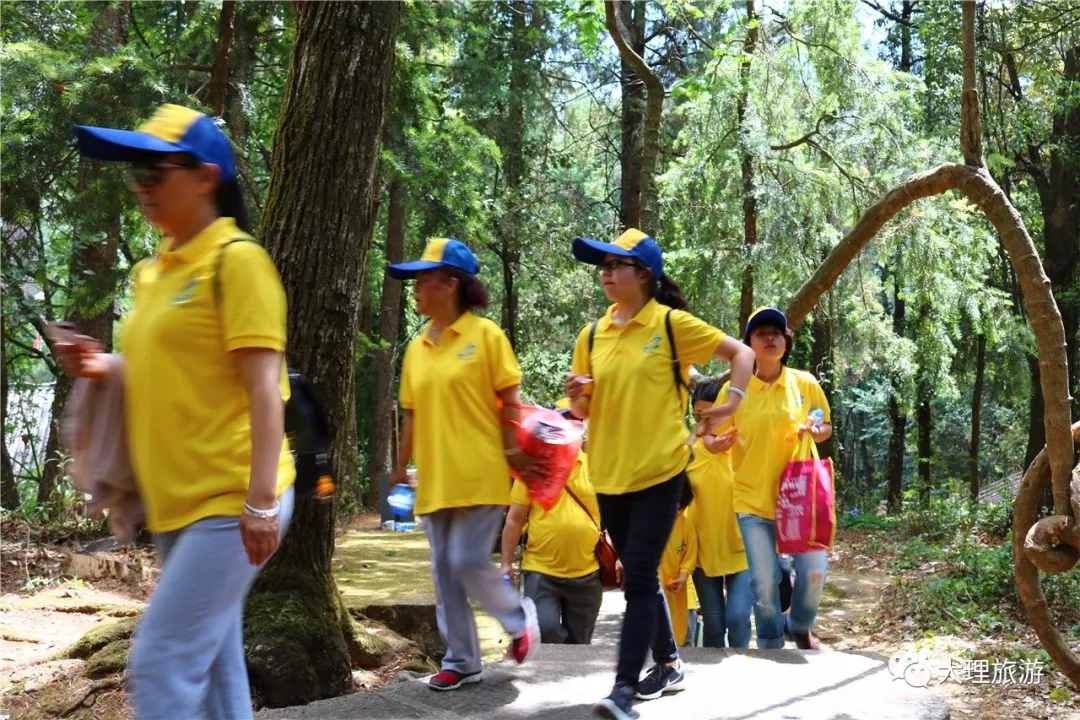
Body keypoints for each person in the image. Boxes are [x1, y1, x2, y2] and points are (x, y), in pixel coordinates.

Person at [61, 104, 296, 719]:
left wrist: (260, 501)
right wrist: (99, 366)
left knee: (161, 661)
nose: (142, 186)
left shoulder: (237, 262)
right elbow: (160, 373)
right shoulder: (153, 272)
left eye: (155, 172)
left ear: (205, 177)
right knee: (217, 676)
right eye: (134, 174)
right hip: (176, 506)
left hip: (230, 499)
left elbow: (264, 391)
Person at [564, 228, 755, 720]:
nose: (605, 272)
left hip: (660, 474)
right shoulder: (591, 336)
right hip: (609, 478)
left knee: (639, 577)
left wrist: (731, 402)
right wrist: (575, 395)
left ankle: (624, 690)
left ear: (645, 275)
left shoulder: (671, 326)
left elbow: (743, 355)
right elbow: (582, 412)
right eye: (601, 265)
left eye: (615, 264)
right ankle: (670, 663)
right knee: (642, 581)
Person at [387, 238, 541, 692]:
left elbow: (510, 398)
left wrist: (513, 450)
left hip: (479, 471)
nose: (415, 289)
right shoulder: (417, 348)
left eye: (423, 280)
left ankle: (516, 617)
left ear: (450, 283)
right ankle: (462, 660)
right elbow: (411, 413)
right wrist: (400, 468)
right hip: (434, 478)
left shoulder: (486, 337)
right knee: (443, 572)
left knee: (466, 560)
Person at [724, 307, 833, 650]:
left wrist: (813, 429)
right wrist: (715, 441)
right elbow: (713, 437)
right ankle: (771, 644)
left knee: (815, 570)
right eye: (761, 333)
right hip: (752, 499)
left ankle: (798, 624)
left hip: (800, 497)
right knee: (765, 582)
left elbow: (824, 426)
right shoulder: (734, 390)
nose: (770, 338)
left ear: (785, 341)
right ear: (749, 344)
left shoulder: (804, 384)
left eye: (776, 333)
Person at [500, 399, 604, 645]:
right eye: (562, 420)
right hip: (541, 571)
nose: (568, 426)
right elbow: (515, 519)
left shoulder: (595, 468)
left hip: (587, 573)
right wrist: (505, 563)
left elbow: (616, 516)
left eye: (574, 421)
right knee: (544, 630)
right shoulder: (533, 469)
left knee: (581, 644)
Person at [685, 381, 753, 649]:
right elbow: (668, 468)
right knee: (714, 623)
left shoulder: (744, 446)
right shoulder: (689, 451)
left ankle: (740, 673)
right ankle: (711, 678)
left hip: (743, 548)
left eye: (712, 415)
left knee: (737, 619)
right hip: (704, 550)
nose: (706, 423)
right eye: (699, 416)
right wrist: (694, 436)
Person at [659, 483, 697, 647]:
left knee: (684, 638)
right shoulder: (652, 523)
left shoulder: (686, 526)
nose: (675, 510)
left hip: (680, 593)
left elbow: (690, 556)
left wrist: (682, 576)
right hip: (656, 592)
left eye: (679, 507)